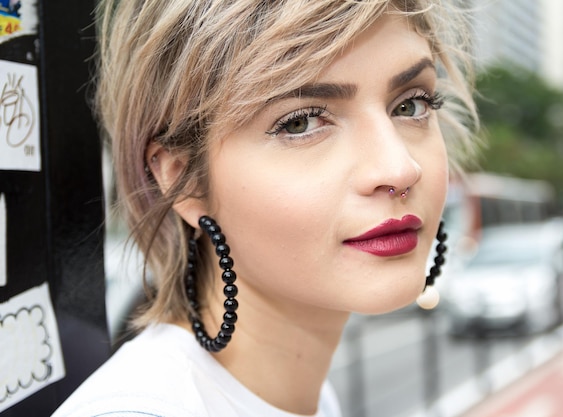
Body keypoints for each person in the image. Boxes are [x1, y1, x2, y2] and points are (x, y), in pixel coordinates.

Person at [53, 0, 478, 416]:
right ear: (184, 179)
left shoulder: (304, 397)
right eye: (301, 122)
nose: (400, 168)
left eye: (411, 105)